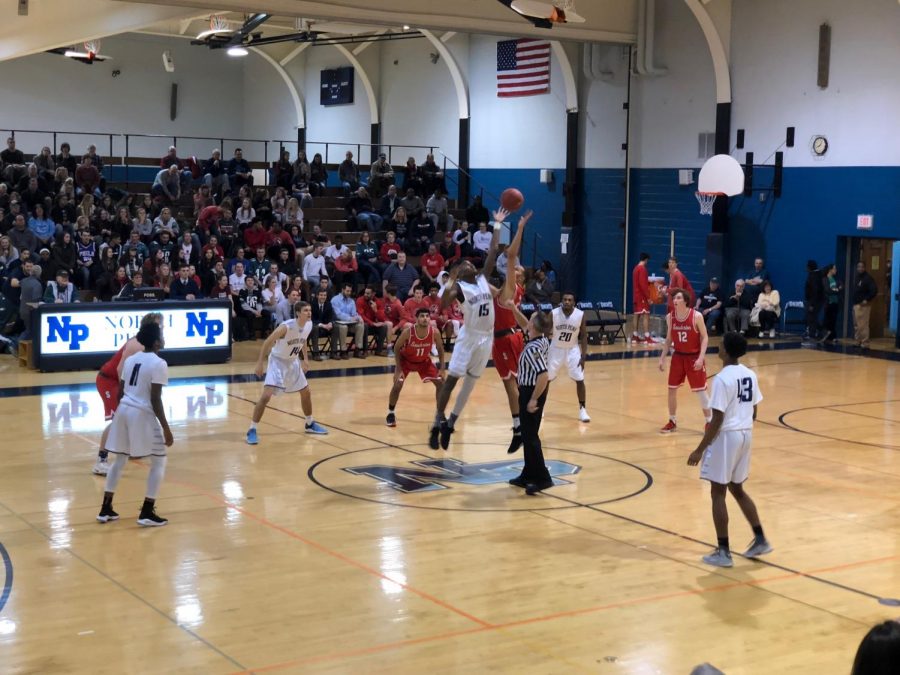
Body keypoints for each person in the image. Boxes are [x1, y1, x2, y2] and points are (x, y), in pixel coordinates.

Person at [687, 331, 771, 567]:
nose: (718, 347)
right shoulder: (750, 374)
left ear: (727, 350)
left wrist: (700, 449)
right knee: (737, 489)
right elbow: (754, 411)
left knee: (717, 493)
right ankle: (761, 538)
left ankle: (723, 551)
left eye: (721, 345)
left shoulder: (722, 379)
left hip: (728, 437)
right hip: (746, 433)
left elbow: (717, 419)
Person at [428, 209, 504, 450]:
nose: (470, 263)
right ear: (460, 272)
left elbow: (493, 252)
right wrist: (451, 279)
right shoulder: (459, 287)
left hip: (486, 338)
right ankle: (437, 420)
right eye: (465, 264)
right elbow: (442, 305)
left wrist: (498, 225)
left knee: (469, 385)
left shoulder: (482, 279)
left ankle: (451, 424)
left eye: (471, 262)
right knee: (451, 380)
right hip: (469, 337)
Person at [96, 322, 173, 527]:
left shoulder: (131, 360)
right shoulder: (159, 363)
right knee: (159, 461)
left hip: (123, 410)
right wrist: (166, 427)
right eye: (162, 336)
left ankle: (106, 508)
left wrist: (122, 412)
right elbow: (155, 398)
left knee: (120, 459)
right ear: (157, 342)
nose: (164, 339)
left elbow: (121, 391)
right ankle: (147, 511)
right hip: (141, 413)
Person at [92, 313, 164, 475]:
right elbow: (119, 370)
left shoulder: (149, 344)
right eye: (159, 326)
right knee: (118, 419)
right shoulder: (136, 344)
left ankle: (131, 449)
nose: (162, 329)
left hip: (118, 381)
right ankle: (101, 461)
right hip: (109, 381)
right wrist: (126, 394)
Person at [246, 301, 327, 444]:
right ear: (297, 313)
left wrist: (305, 359)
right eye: (305, 311)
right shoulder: (286, 327)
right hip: (277, 361)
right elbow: (267, 342)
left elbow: (302, 342)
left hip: (293, 361)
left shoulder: (308, 325)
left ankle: (309, 423)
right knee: (265, 397)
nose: (309, 313)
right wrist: (259, 363)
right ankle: (252, 429)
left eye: (309, 310)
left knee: (306, 392)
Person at [504, 302, 555, 495]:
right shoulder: (538, 337)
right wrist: (513, 309)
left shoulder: (534, 348)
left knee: (531, 436)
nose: (528, 322)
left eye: (531, 318)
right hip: (528, 390)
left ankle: (543, 478)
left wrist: (533, 399)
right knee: (526, 435)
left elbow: (543, 375)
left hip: (533, 391)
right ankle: (528, 473)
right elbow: (524, 323)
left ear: (534, 326)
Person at [491, 212, 531, 453]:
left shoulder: (511, 287)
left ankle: (523, 425)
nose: (514, 267)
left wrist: (520, 228)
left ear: (518, 276)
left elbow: (510, 254)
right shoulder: (502, 291)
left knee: (514, 384)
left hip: (508, 338)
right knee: (509, 386)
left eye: (517, 269)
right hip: (498, 341)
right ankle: (517, 427)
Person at [658, 288, 711, 434]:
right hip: (678, 357)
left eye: (679, 298)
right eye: (674, 298)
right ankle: (672, 420)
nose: (675, 300)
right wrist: (662, 358)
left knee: (701, 391)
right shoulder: (670, 317)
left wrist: (701, 357)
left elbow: (705, 337)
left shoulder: (696, 316)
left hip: (693, 357)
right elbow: (669, 339)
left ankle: (710, 422)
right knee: (671, 389)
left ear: (686, 301)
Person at [386, 308, 446, 427]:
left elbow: (440, 349)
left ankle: (440, 414)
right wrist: (398, 369)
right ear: (417, 319)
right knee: (398, 384)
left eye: (427, 316)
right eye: (422, 316)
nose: (425, 318)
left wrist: (442, 368)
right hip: (406, 361)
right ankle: (390, 413)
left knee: (441, 383)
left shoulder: (435, 332)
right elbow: (396, 348)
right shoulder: (408, 332)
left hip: (424, 362)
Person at [548, 292, 590, 424]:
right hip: (556, 348)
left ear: (574, 302)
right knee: (545, 379)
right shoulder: (553, 313)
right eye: (565, 300)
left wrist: (583, 356)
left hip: (572, 349)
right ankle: (540, 407)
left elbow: (583, 336)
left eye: (569, 300)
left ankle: (582, 409)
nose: (567, 302)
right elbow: (545, 332)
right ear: (561, 301)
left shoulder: (580, 315)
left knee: (580, 379)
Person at [852, 261, 877, 349]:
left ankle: (865, 342)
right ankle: (858, 341)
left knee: (863, 324)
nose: (860, 268)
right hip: (855, 304)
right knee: (856, 324)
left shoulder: (868, 278)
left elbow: (874, 291)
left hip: (863, 305)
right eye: (858, 267)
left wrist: (867, 299)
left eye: (862, 267)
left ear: (865, 268)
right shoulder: (857, 277)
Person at [631, 252, 652, 343]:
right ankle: (647, 337)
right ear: (646, 259)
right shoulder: (642, 269)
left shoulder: (635, 268)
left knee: (636, 315)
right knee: (646, 315)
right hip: (642, 296)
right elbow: (643, 285)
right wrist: (648, 297)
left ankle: (635, 336)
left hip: (636, 295)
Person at [804, 259, 825, 341]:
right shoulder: (817, 274)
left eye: (807, 266)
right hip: (817, 300)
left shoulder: (813, 276)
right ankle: (820, 332)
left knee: (811, 317)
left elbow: (815, 290)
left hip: (814, 301)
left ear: (810, 267)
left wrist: (812, 304)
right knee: (812, 317)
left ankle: (814, 334)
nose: (806, 268)